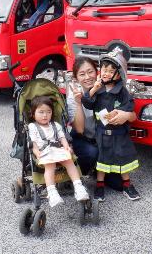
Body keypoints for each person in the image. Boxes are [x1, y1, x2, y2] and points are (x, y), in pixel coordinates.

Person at [66, 57, 136, 189]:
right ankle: (84, 171)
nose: (87, 77)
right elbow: (80, 130)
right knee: (93, 153)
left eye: (90, 72)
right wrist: (78, 102)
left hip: (105, 138)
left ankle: (99, 172)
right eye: (82, 74)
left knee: (119, 185)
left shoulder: (107, 88)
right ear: (76, 78)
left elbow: (133, 116)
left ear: (97, 72)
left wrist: (126, 115)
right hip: (85, 139)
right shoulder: (74, 96)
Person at [81, 49, 141, 202]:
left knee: (123, 158)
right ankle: (99, 185)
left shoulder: (122, 91)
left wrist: (121, 113)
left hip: (119, 133)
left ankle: (127, 184)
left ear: (118, 74)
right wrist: (93, 89)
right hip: (102, 132)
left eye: (110, 70)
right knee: (102, 159)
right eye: (104, 69)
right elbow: (87, 103)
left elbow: (129, 108)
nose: (106, 73)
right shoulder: (98, 90)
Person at [28, 95, 89, 207]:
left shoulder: (55, 125)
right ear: (33, 113)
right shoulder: (32, 126)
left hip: (58, 149)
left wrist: (66, 147)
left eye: (48, 112)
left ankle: (78, 186)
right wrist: (37, 153)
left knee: (69, 161)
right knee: (50, 165)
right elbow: (34, 143)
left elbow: (62, 138)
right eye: (41, 112)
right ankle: (52, 192)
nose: (45, 115)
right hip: (44, 151)